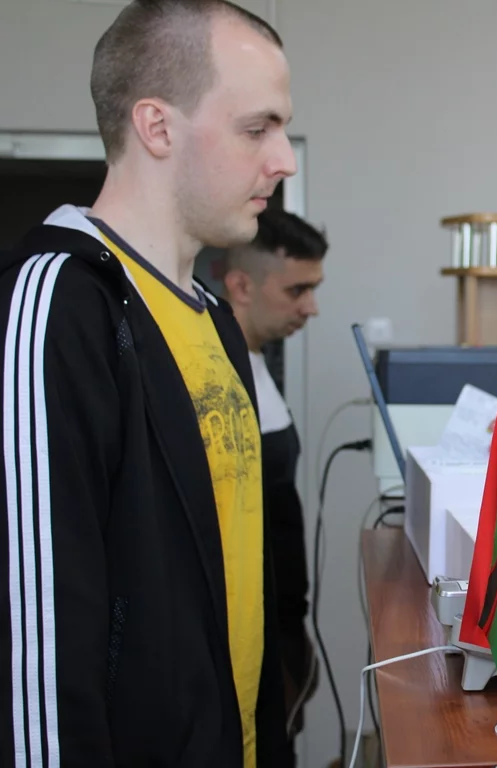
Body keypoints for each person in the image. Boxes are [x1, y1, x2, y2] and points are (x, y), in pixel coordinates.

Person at [0, 1, 296, 765]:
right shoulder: (60, 303)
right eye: (257, 128)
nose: (285, 160)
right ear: (157, 127)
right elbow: (38, 631)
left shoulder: (214, 318)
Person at [222, 207, 326, 760]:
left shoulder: (259, 363)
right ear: (241, 285)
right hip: (243, 643)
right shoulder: (216, 377)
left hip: (282, 627)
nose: (311, 307)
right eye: (297, 290)